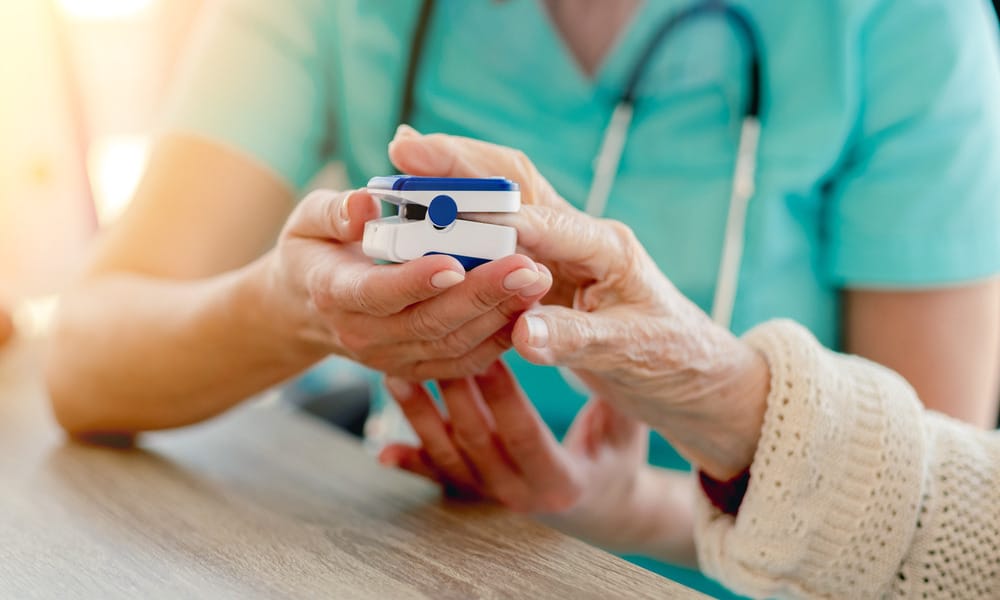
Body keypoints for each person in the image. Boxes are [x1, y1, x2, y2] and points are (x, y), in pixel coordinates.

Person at [45, 0, 1000, 594]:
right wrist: (294, 308)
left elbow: (917, 531)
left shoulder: (906, 24)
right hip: (419, 566)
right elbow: (85, 359)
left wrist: (631, 510)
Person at [380, 132, 1000, 598]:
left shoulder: (912, 31)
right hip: (436, 546)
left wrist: (720, 400)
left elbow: (925, 535)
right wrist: (618, 505)